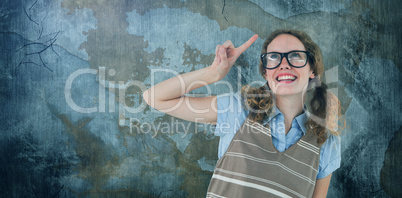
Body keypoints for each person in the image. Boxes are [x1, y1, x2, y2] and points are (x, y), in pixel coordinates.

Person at [143, 29, 342, 198]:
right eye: (274, 57)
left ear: (312, 70)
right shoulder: (237, 109)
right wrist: (213, 74)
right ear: (265, 72)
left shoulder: (326, 142)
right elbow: (154, 97)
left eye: (295, 56)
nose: (284, 64)